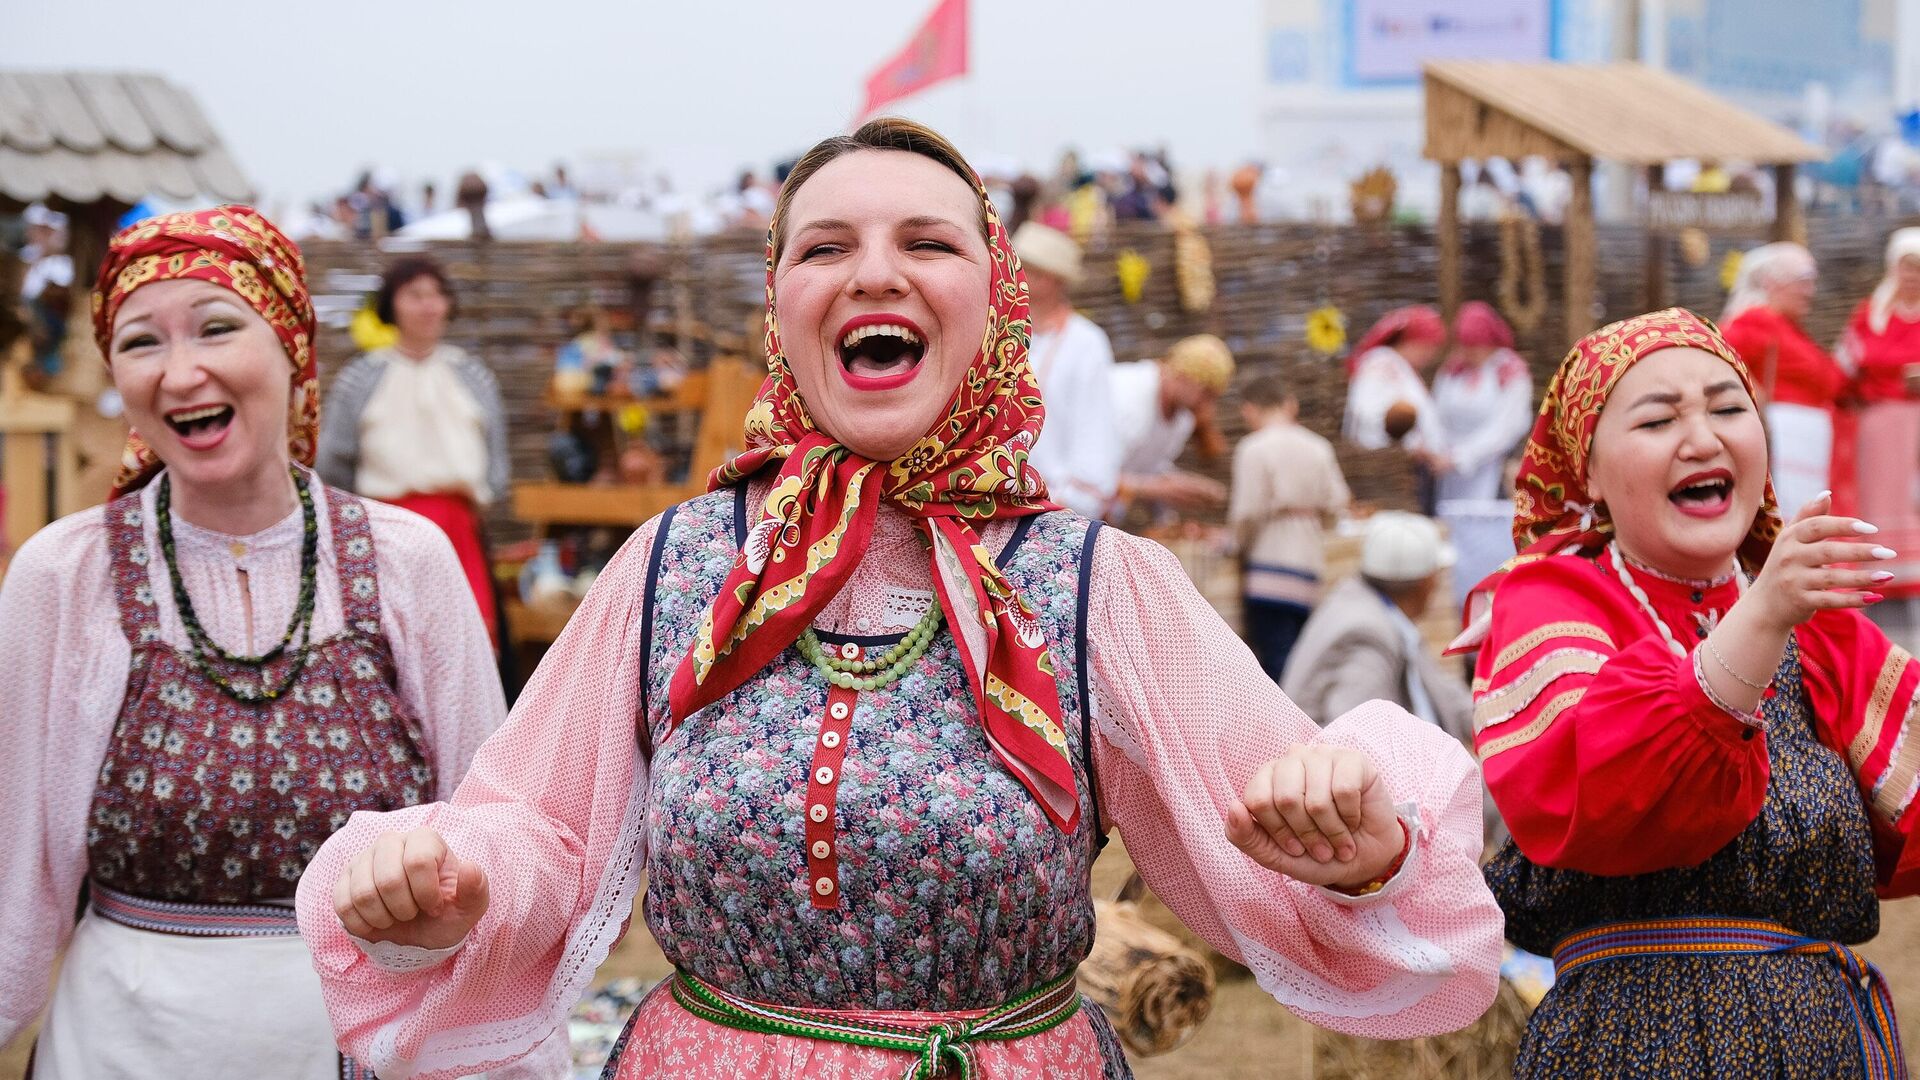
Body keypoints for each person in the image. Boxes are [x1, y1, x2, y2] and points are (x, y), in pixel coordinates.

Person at [295, 118, 1503, 1080]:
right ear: (780, 308)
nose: (875, 269)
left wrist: (1362, 848)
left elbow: (1285, 839)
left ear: (997, 303)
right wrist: (454, 877)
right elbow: (539, 830)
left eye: (927, 242)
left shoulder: (1097, 586)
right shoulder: (676, 568)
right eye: (825, 247)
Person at [0, 206, 515, 1079]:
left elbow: (493, 841)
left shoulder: (407, 562)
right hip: (120, 1048)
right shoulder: (66, 574)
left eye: (216, 327)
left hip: (359, 1048)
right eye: (140, 343)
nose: (181, 372)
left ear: (291, 345)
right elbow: (16, 879)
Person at [1465, 307, 1920, 1078]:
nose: (1704, 437)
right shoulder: (1552, 602)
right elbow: (1607, 798)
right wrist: (1763, 616)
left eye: (1728, 406)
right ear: (1592, 476)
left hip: (1822, 1046)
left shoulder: (1820, 627)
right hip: (1632, 1047)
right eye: (1657, 419)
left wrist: (1774, 607)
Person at [316, 256, 510, 644]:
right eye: (414, 295)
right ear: (392, 305)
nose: (428, 306)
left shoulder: (472, 376)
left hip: (459, 530)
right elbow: (334, 459)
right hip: (384, 532)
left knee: (466, 641)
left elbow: (495, 456)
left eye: (436, 295)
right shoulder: (361, 378)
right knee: (394, 641)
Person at [1281, 512, 1473, 750]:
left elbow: (1439, 687)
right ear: (1426, 581)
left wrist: (1487, 720)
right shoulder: (1367, 635)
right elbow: (1357, 742)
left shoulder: (1378, 610)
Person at [1229, 373, 1351, 680]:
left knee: (1275, 662)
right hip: (1309, 567)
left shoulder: (1253, 448)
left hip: (1269, 567)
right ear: (1289, 404)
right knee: (1302, 657)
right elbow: (1338, 501)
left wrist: (1236, 546)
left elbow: (1246, 511)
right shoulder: (1319, 447)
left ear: (1249, 409)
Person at [1720, 242, 1849, 517]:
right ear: (1772, 282)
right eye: (1802, 282)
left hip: (1805, 436)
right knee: (1790, 510)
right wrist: (1755, 395)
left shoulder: (1785, 326)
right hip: (1785, 435)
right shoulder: (1755, 321)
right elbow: (1722, 358)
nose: (1809, 292)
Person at [1013, 221, 1121, 518]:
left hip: (1054, 506)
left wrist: (1071, 498)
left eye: (1025, 269)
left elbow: (1094, 426)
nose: (1012, 275)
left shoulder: (1085, 342)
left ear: (1050, 280)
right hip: (994, 497)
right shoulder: (999, 329)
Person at [1841, 228, 1920, 596]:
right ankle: (1885, 571)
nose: (1913, 277)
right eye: (1907, 267)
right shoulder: (1871, 314)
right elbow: (1846, 366)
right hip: (1881, 422)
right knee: (1882, 496)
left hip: (1915, 418)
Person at [1107, 334, 1234, 520]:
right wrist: (1162, 488)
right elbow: (1092, 475)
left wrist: (1180, 484)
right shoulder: (1127, 397)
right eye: (1206, 393)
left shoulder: (1183, 419)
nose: (1208, 407)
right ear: (1184, 375)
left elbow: (1149, 469)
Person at [1432, 301, 1533, 504]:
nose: (1469, 352)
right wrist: (1436, 450)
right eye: (1465, 345)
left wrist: (1461, 457)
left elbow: (1507, 427)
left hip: (1492, 468)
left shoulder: (1510, 372)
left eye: (1475, 345)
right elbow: (1435, 413)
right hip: (1448, 472)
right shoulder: (1453, 370)